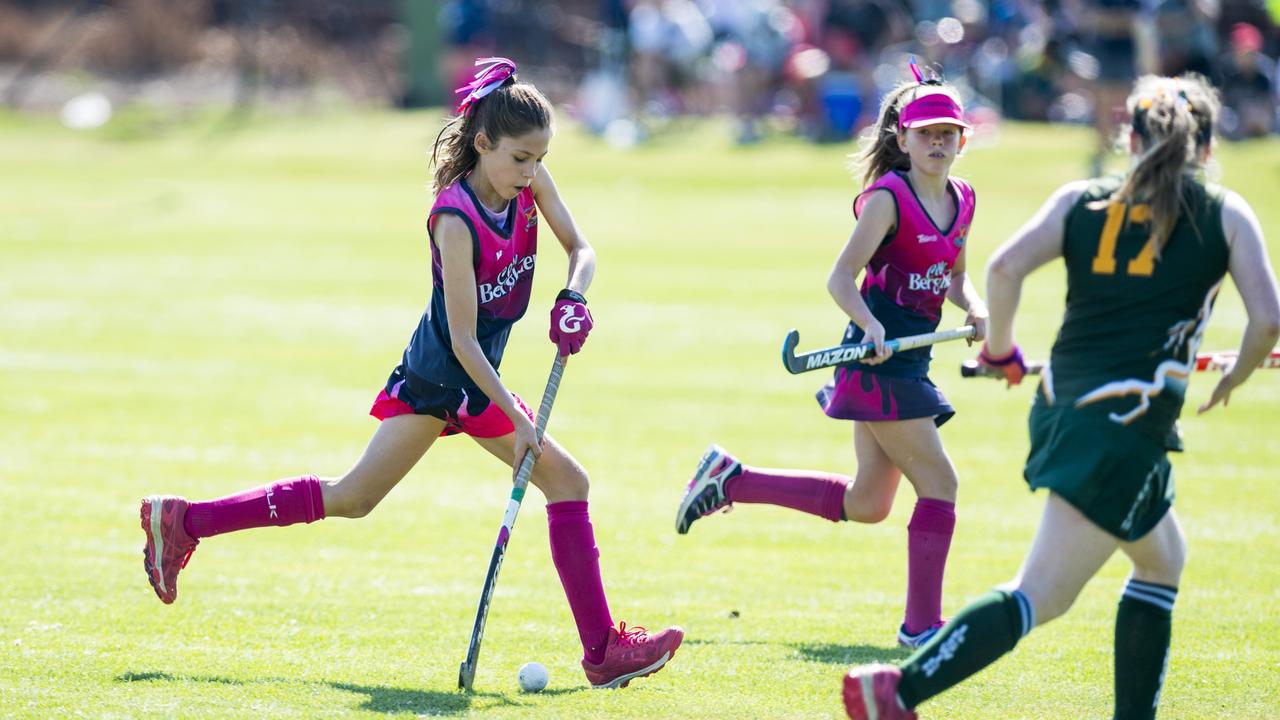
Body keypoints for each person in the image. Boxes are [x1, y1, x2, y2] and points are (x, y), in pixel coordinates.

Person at [139, 57, 684, 691]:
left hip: (479, 383)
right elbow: (459, 337)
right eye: (519, 159)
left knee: (519, 487)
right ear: (483, 143)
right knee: (394, 494)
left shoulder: (528, 185)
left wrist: (574, 298)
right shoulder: (454, 218)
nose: (531, 172)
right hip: (441, 381)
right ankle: (185, 521)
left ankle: (603, 651)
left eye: (539, 159)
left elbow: (582, 250)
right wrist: (517, 417)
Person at [842, 74, 1280, 720]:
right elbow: (1267, 320)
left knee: (1162, 563)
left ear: (1128, 137)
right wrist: (1237, 375)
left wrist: (1000, 351)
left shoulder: (1083, 199)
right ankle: (897, 691)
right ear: (1207, 149)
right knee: (1040, 596)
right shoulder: (1224, 211)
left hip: (1068, 409)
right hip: (1123, 426)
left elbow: (1003, 270)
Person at [676, 62, 988, 650]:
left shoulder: (964, 200)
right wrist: (869, 324)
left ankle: (732, 481)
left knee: (868, 503)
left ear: (963, 138)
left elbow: (956, 279)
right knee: (940, 483)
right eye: (927, 133)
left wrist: (976, 309)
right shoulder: (888, 199)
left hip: (910, 361)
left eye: (949, 132)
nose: (939, 142)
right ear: (904, 138)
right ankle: (921, 628)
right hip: (876, 363)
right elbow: (841, 279)